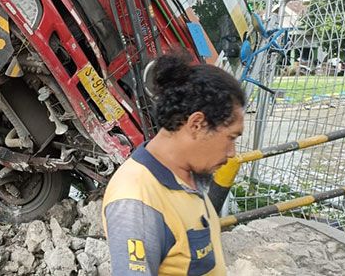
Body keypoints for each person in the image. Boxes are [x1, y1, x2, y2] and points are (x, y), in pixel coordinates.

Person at [103, 52, 245, 276]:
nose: (232, 153)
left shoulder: (186, 174)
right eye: (231, 137)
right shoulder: (137, 202)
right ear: (197, 124)